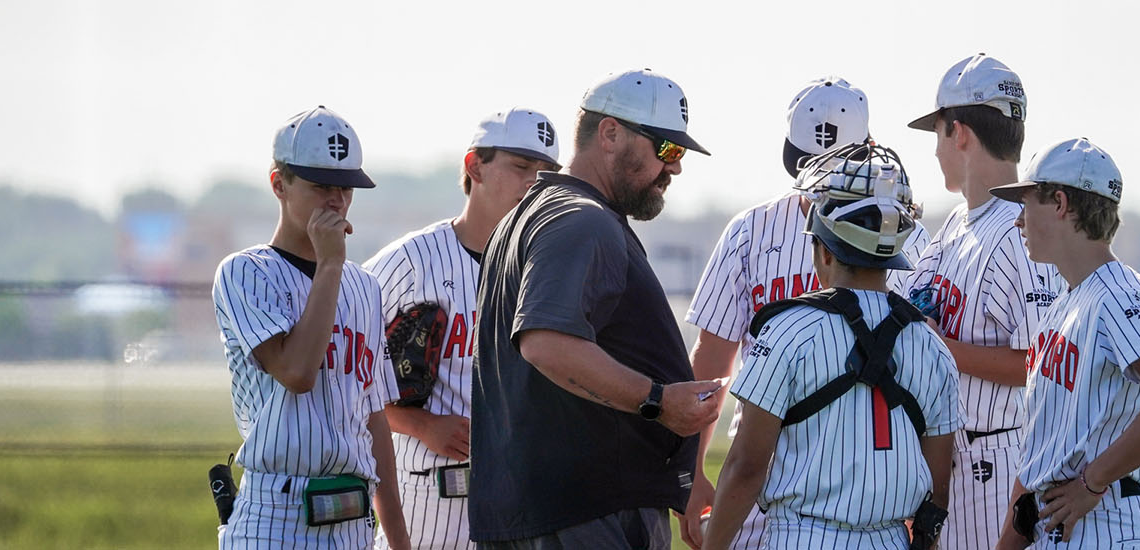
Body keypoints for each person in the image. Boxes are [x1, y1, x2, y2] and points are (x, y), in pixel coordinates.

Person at [467, 69, 724, 549]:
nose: (676, 167)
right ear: (609, 134)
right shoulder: (582, 220)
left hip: (548, 512)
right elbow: (546, 342)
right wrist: (659, 402)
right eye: (666, 149)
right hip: (584, 518)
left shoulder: (536, 214)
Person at [679, 78, 930, 549]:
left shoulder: (906, 237)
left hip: (862, 478)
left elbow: (712, 361)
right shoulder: (752, 230)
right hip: (775, 477)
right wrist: (692, 473)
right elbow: (711, 361)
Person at [702, 150, 963, 550]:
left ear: (824, 251)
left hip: (802, 538)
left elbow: (746, 467)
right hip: (891, 540)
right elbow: (937, 493)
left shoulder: (785, 330)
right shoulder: (933, 348)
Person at [987, 138, 1140, 549]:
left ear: (1060, 203)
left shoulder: (1120, 293)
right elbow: (1041, 448)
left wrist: (1092, 481)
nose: (1018, 221)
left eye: (1027, 203)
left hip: (1105, 518)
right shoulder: (1065, 303)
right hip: (1057, 521)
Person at [212, 106, 410, 549]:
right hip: (275, 516)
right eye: (321, 185)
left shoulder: (365, 287)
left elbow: (374, 418)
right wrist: (331, 264)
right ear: (279, 184)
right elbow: (297, 373)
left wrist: (397, 539)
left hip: (353, 521)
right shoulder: (246, 272)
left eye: (346, 187)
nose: (336, 200)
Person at [364, 108, 561, 550]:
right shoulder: (412, 262)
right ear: (475, 166)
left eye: (547, 172)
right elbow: (339, 371)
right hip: (429, 494)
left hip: (521, 495)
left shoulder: (546, 266)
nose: (535, 182)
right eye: (521, 166)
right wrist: (419, 422)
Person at [903, 53, 1063, 550]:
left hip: (997, 460)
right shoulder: (956, 222)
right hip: (948, 457)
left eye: (938, 133)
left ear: (962, 132)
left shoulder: (1020, 227)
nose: (935, 150)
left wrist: (940, 347)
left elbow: (1043, 363)